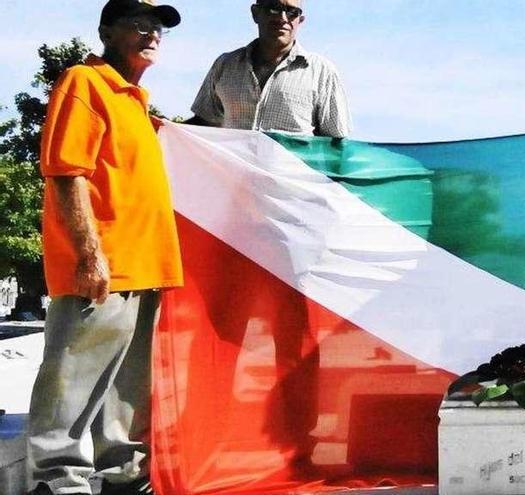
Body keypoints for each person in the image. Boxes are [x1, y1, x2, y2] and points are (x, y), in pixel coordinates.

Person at [27, 1, 184, 494]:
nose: (151, 33)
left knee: (126, 395)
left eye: (157, 27)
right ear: (106, 31)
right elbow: (66, 172)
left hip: (146, 268)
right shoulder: (84, 81)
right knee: (71, 380)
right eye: (139, 24)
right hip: (104, 267)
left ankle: (125, 479)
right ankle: (59, 482)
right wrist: (90, 255)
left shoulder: (136, 100)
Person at [188, 0, 352, 136]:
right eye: (274, 8)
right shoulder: (225, 65)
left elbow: (337, 144)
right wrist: (165, 129)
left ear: (300, 20)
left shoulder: (321, 72)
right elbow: (203, 123)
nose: (282, 18)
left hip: (291, 175)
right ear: (255, 13)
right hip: (235, 175)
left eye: (292, 12)